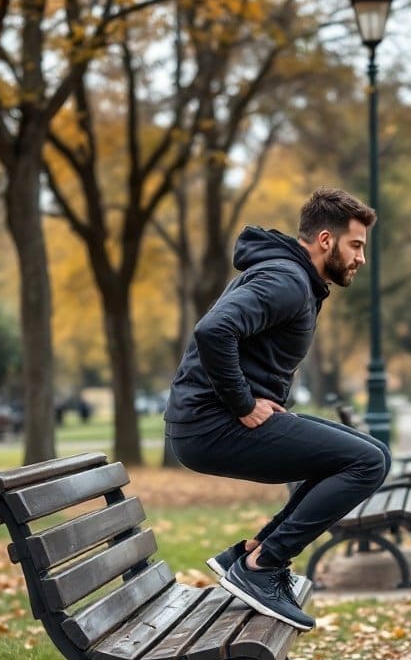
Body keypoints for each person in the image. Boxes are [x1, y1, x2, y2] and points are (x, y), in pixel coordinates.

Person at [165, 187, 392, 631]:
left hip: (208, 423)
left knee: (371, 454)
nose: (361, 258)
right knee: (365, 462)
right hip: (211, 426)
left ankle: (253, 552)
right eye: (356, 245)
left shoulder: (291, 278)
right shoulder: (286, 280)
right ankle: (261, 566)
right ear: (325, 240)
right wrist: (243, 403)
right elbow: (214, 331)